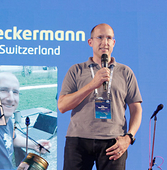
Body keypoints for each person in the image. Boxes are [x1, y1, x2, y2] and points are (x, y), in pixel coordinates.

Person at [58, 23, 142, 170]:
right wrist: (92, 84)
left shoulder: (125, 72)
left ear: (114, 43)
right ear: (90, 42)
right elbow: (62, 106)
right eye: (100, 37)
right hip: (78, 141)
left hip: (114, 142)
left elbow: (136, 109)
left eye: (109, 38)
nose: (105, 42)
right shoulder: (76, 70)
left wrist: (129, 138)